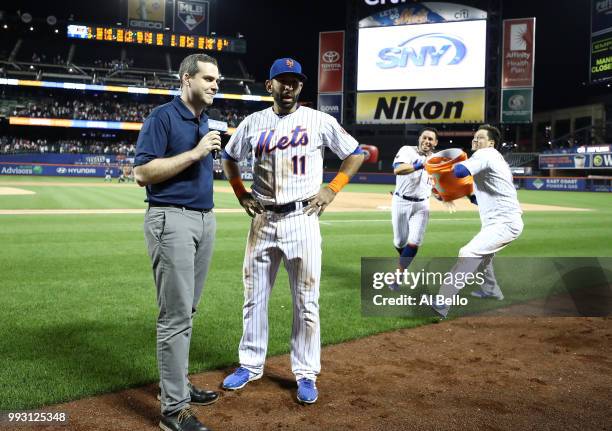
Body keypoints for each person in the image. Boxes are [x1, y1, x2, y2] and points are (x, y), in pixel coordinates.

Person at [220, 57, 365, 404]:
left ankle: (305, 372)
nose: (288, 87)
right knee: (254, 297)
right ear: (269, 86)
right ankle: (250, 364)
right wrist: (240, 191)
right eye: (281, 81)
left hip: (302, 218)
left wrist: (334, 187)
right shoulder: (253, 122)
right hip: (263, 219)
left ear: (301, 87)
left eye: (295, 82)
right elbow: (228, 156)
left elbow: (355, 153)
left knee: (306, 301)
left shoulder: (318, 120)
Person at [134, 53, 221, 431]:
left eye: (217, 80)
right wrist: (197, 152)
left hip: (204, 219)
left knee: (188, 310)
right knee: (175, 316)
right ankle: (173, 410)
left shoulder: (204, 120)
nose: (215, 85)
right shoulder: (163, 117)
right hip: (171, 219)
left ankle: (177, 385)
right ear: (186, 79)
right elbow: (142, 172)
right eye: (208, 79)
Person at [433, 124, 523, 317]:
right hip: (501, 222)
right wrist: (449, 194)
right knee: (484, 260)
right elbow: (476, 197)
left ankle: (442, 301)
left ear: (491, 142)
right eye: (474, 137)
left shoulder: (486, 154)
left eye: (480, 137)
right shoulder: (493, 159)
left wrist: (446, 164)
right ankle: (491, 290)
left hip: (504, 222)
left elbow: (459, 172)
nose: (475, 140)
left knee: (469, 252)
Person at [389, 127, 438, 289]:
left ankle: (398, 274)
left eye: (431, 139)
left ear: (435, 143)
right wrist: (420, 164)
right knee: (400, 241)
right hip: (401, 202)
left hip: (422, 205)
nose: (427, 141)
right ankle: (404, 262)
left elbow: (436, 184)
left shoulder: (437, 161)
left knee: (414, 241)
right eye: (425, 137)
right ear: (419, 139)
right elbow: (398, 169)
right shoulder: (407, 151)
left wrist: (441, 194)